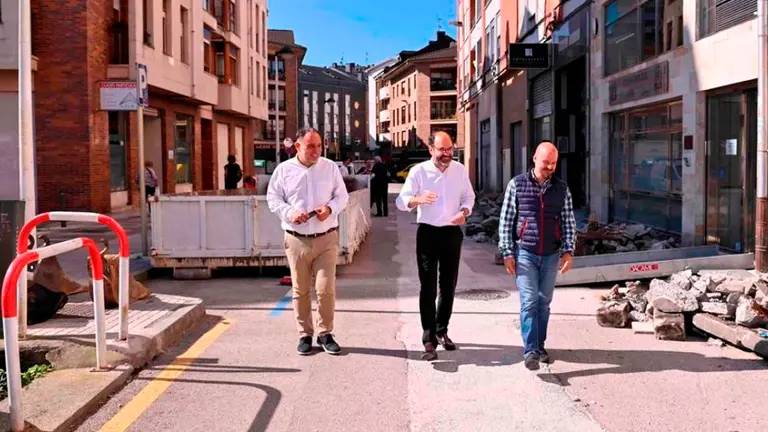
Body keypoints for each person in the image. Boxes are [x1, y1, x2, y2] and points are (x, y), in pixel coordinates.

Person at [266, 127, 349, 356]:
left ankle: (325, 333)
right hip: (296, 240)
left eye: (319, 145)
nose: (316, 150)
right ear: (297, 146)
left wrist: (330, 208)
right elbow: (272, 198)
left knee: (325, 289)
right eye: (311, 146)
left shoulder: (330, 167)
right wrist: (289, 212)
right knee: (300, 290)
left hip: (326, 238)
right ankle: (305, 334)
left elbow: (342, 196)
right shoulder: (284, 170)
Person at [396, 131, 475, 361]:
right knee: (428, 287)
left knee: (448, 286)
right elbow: (401, 201)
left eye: (450, 148)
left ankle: (442, 330)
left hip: (452, 232)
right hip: (428, 234)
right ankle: (428, 339)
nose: (447, 153)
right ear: (431, 149)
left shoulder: (459, 171)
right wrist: (417, 200)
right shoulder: (418, 171)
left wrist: (465, 212)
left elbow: (469, 197)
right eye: (442, 149)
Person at [497, 141, 576, 370]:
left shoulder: (561, 188)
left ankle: (540, 346)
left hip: (551, 254)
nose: (550, 167)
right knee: (529, 300)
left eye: (553, 163)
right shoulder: (517, 184)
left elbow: (568, 220)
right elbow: (506, 220)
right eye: (546, 162)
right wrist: (507, 252)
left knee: (544, 302)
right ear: (534, 158)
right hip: (525, 252)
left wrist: (568, 251)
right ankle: (530, 350)